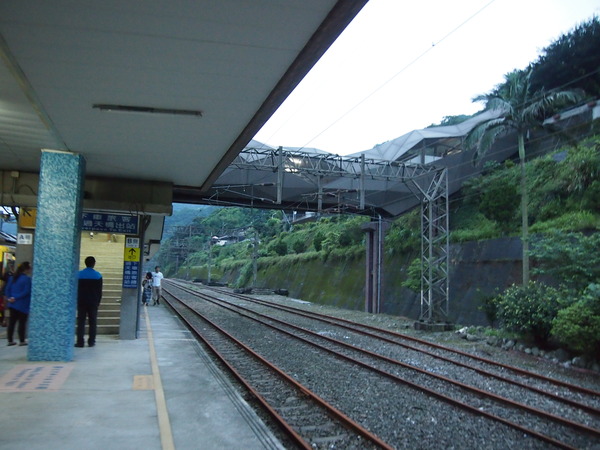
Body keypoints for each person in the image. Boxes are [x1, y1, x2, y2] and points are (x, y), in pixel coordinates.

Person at [76, 256, 102, 348]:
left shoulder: (79, 275)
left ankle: (80, 342)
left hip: (81, 301)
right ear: (94, 264)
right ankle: (91, 341)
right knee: (93, 322)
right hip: (93, 302)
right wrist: (98, 301)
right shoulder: (98, 275)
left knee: (81, 322)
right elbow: (99, 291)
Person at [5, 261, 32, 346]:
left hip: (12, 304)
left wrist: (10, 298)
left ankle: (10, 340)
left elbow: (7, 290)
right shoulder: (27, 279)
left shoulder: (12, 278)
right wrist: (16, 297)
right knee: (22, 323)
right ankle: (22, 340)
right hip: (23, 304)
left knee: (12, 323)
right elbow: (26, 291)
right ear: (26, 269)